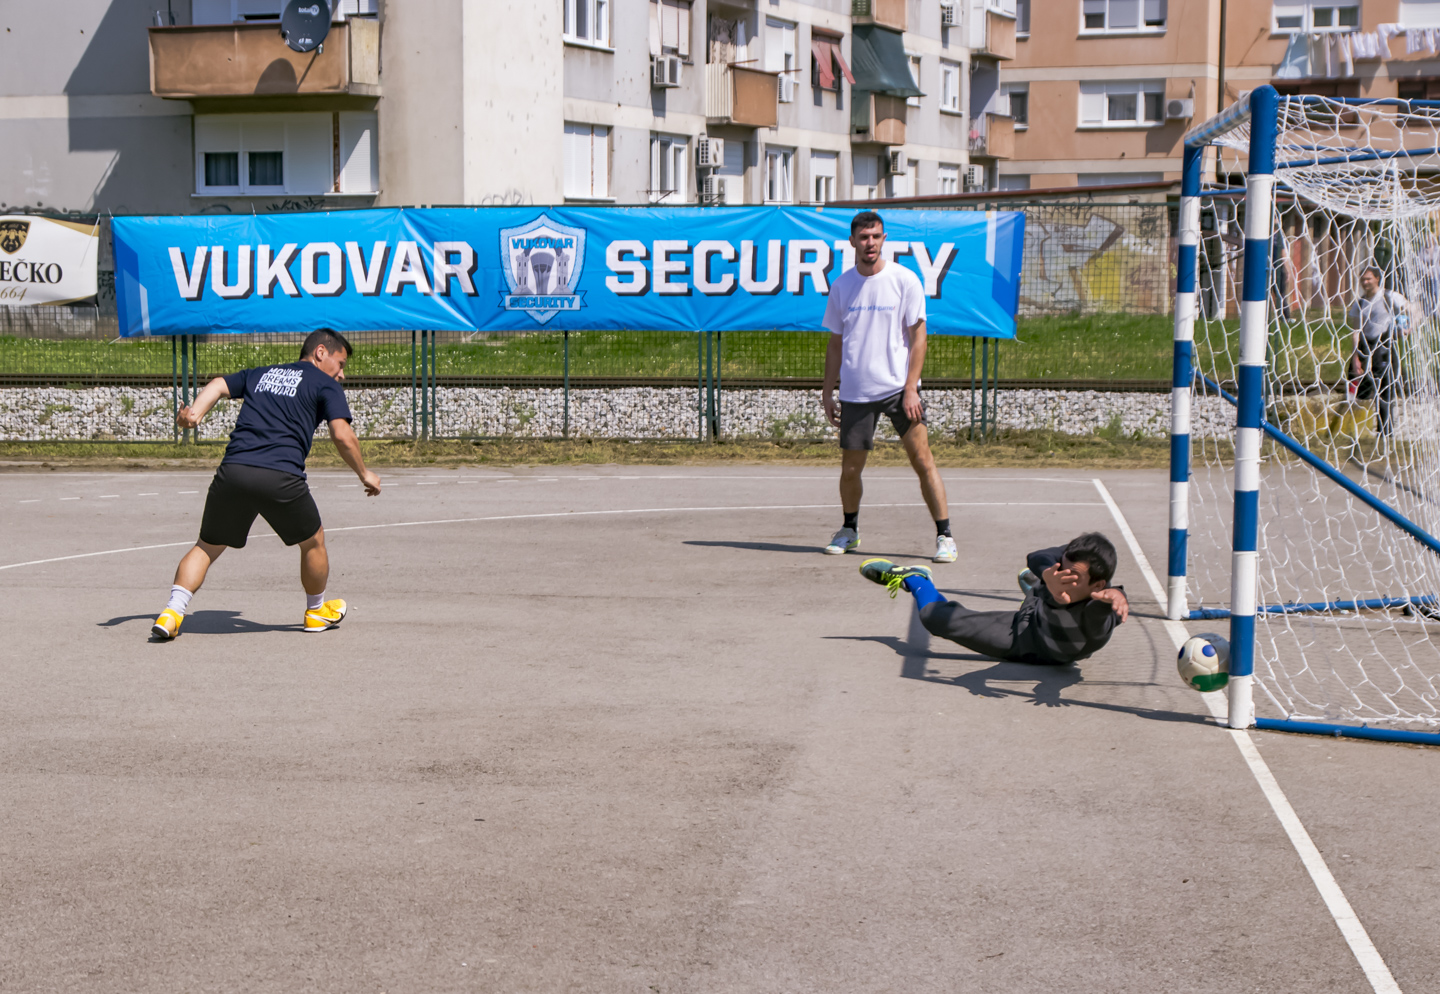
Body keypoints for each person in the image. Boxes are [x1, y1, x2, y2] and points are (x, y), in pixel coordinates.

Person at [150, 329, 382, 641]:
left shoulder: (263, 374)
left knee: (207, 546)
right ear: (321, 352)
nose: (341, 374)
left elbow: (219, 384)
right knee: (313, 542)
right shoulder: (325, 385)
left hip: (234, 472)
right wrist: (364, 473)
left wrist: (195, 414)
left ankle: (172, 612)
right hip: (280, 477)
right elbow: (341, 435)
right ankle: (315, 611)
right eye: (340, 364)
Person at [821, 210, 955, 563]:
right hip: (855, 392)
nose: (870, 243)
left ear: (884, 239)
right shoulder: (842, 285)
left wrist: (911, 387)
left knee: (923, 460)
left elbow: (919, 337)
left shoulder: (904, 280)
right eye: (864, 237)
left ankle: (945, 536)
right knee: (850, 469)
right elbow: (836, 343)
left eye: (876, 237)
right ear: (852, 241)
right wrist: (826, 391)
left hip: (899, 391)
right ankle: (849, 529)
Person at [858, 532, 1130, 665]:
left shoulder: (1100, 610)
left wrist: (1118, 595)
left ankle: (1035, 589)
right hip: (1026, 628)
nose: (1063, 577)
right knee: (933, 617)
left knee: (1048, 593)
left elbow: (1105, 613)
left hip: (1032, 644)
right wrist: (1048, 573)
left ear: (1098, 584)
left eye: (1073, 577)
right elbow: (1037, 556)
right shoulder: (1062, 569)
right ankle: (916, 578)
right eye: (1062, 568)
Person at [1348, 265, 1410, 438]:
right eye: (1363, 279)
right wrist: (1355, 357)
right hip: (1365, 348)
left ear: (1377, 278)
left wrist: (1408, 327)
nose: (1365, 282)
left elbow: (1413, 309)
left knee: (1385, 392)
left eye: (1368, 278)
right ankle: (1355, 431)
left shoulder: (1390, 297)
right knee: (1358, 391)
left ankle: (1385, 432)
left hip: (1385, 348)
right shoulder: (1360, 303)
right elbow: (1356, 331)